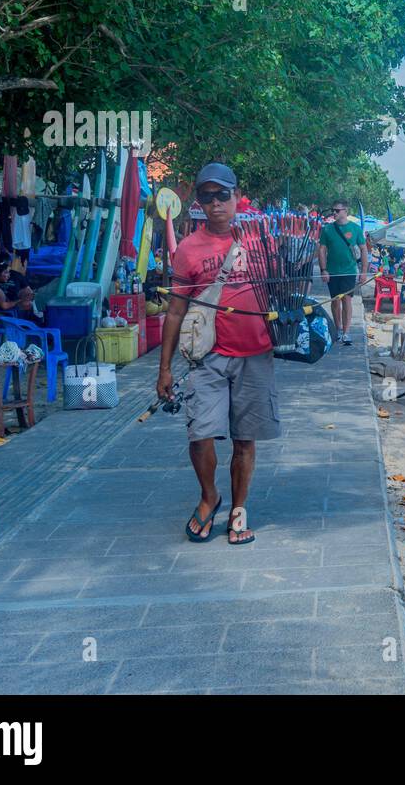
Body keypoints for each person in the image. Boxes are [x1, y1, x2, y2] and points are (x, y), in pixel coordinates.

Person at [157, 163, 277, 545]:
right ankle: (210, 496)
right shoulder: (188, 249)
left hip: (255, 353)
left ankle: (239, 507)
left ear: (237, 196)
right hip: (206, 356)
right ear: (199, 203)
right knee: (200, 433)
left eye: (222, 195)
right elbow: (175, 310)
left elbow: (285, 280)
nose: (215, 204)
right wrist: (164, 369)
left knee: (245, 438)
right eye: (206, 197)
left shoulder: (260, 240)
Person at [316, 200, 368, 346]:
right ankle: (338, 328)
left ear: (346, 211)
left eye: (337, 210)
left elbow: (364, 249)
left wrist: (363, 272)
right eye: (333, 210)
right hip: (332, 271)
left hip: (349, 270)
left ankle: (346, 332)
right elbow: (322, 249)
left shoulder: (355, 229)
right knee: (335, 300)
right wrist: (323, 269)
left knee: (346, 299)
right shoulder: (327, 229)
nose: (334, 213)